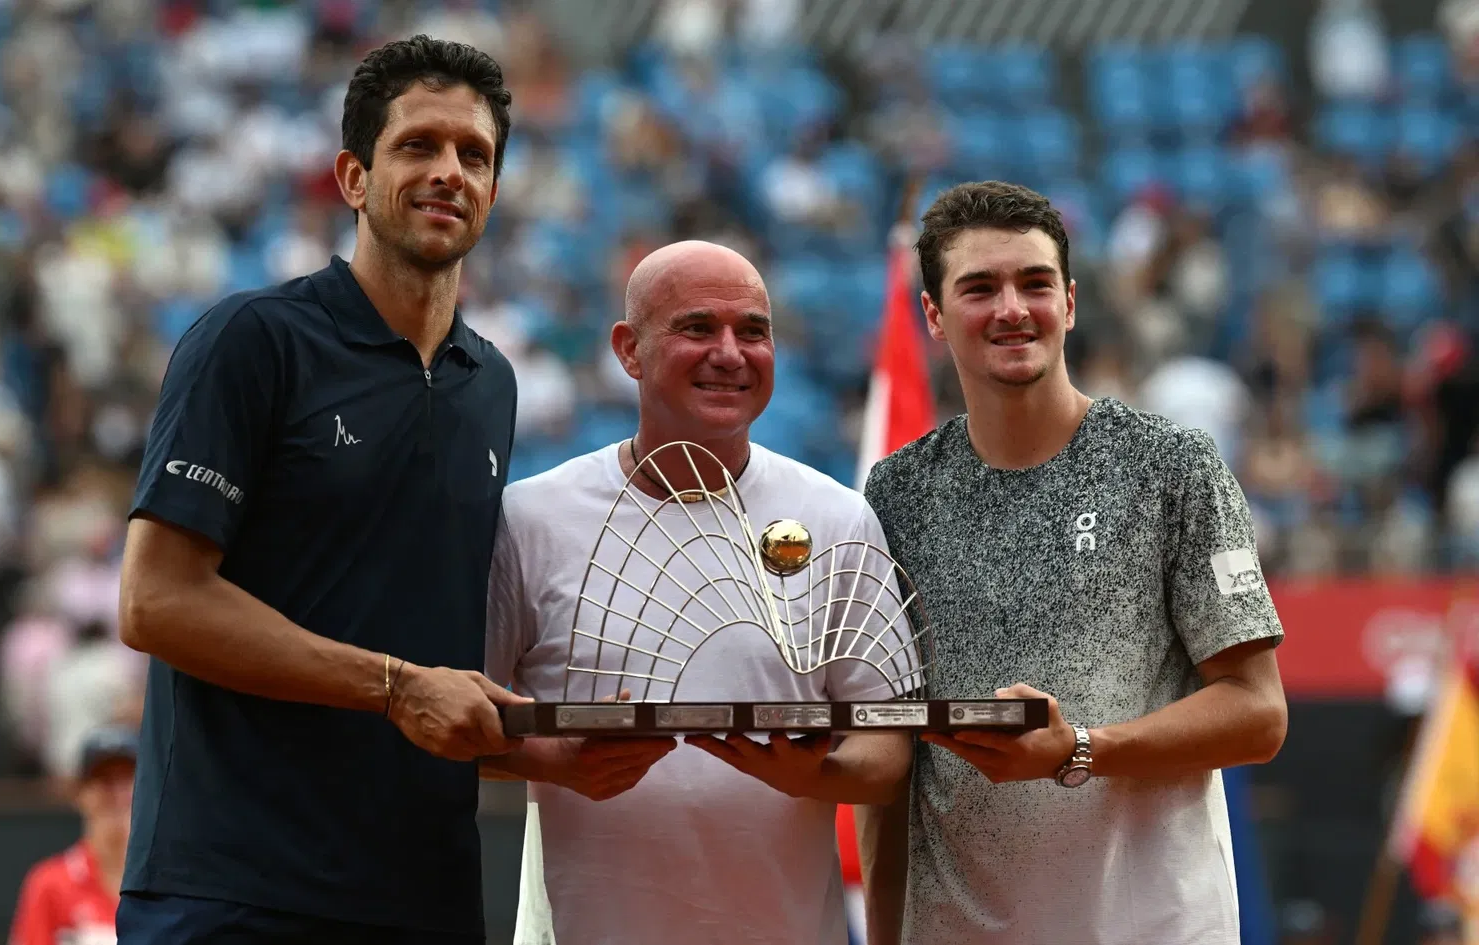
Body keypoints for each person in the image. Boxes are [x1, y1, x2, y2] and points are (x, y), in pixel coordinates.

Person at [115, 35, 526, 945]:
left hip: (425, 898)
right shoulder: (251, 340)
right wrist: (394, 687)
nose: (449, 171)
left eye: (474, 155)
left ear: (493, 192)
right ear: (352, 177)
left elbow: (433, 649)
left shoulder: (491, 383)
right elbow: (156, 600)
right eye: (417, 145)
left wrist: (554, 751)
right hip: (234, 893)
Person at [857, 181, 1289, 945]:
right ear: (933, 314)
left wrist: (1080, 749)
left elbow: (1258, 714)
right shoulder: (895, 492)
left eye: (1035, 283)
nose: (1012, 309)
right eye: (979, 288)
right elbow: (893, 772)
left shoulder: (1171, 466)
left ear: (1071, 301)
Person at [481, 240, 917, 945]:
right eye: (697, 327)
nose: (730, 353)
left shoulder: (839, 517)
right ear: (629, 350)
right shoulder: (530, 518)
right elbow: (451, 725)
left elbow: (889, 750)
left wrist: (813, 772)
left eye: (753, 331)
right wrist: (550, 760)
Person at [9, 726, 138, 945]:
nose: (117, 794)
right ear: (80, 793)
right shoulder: (50, 885)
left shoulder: (163, 887)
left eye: (127, 780)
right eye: (105, 781)